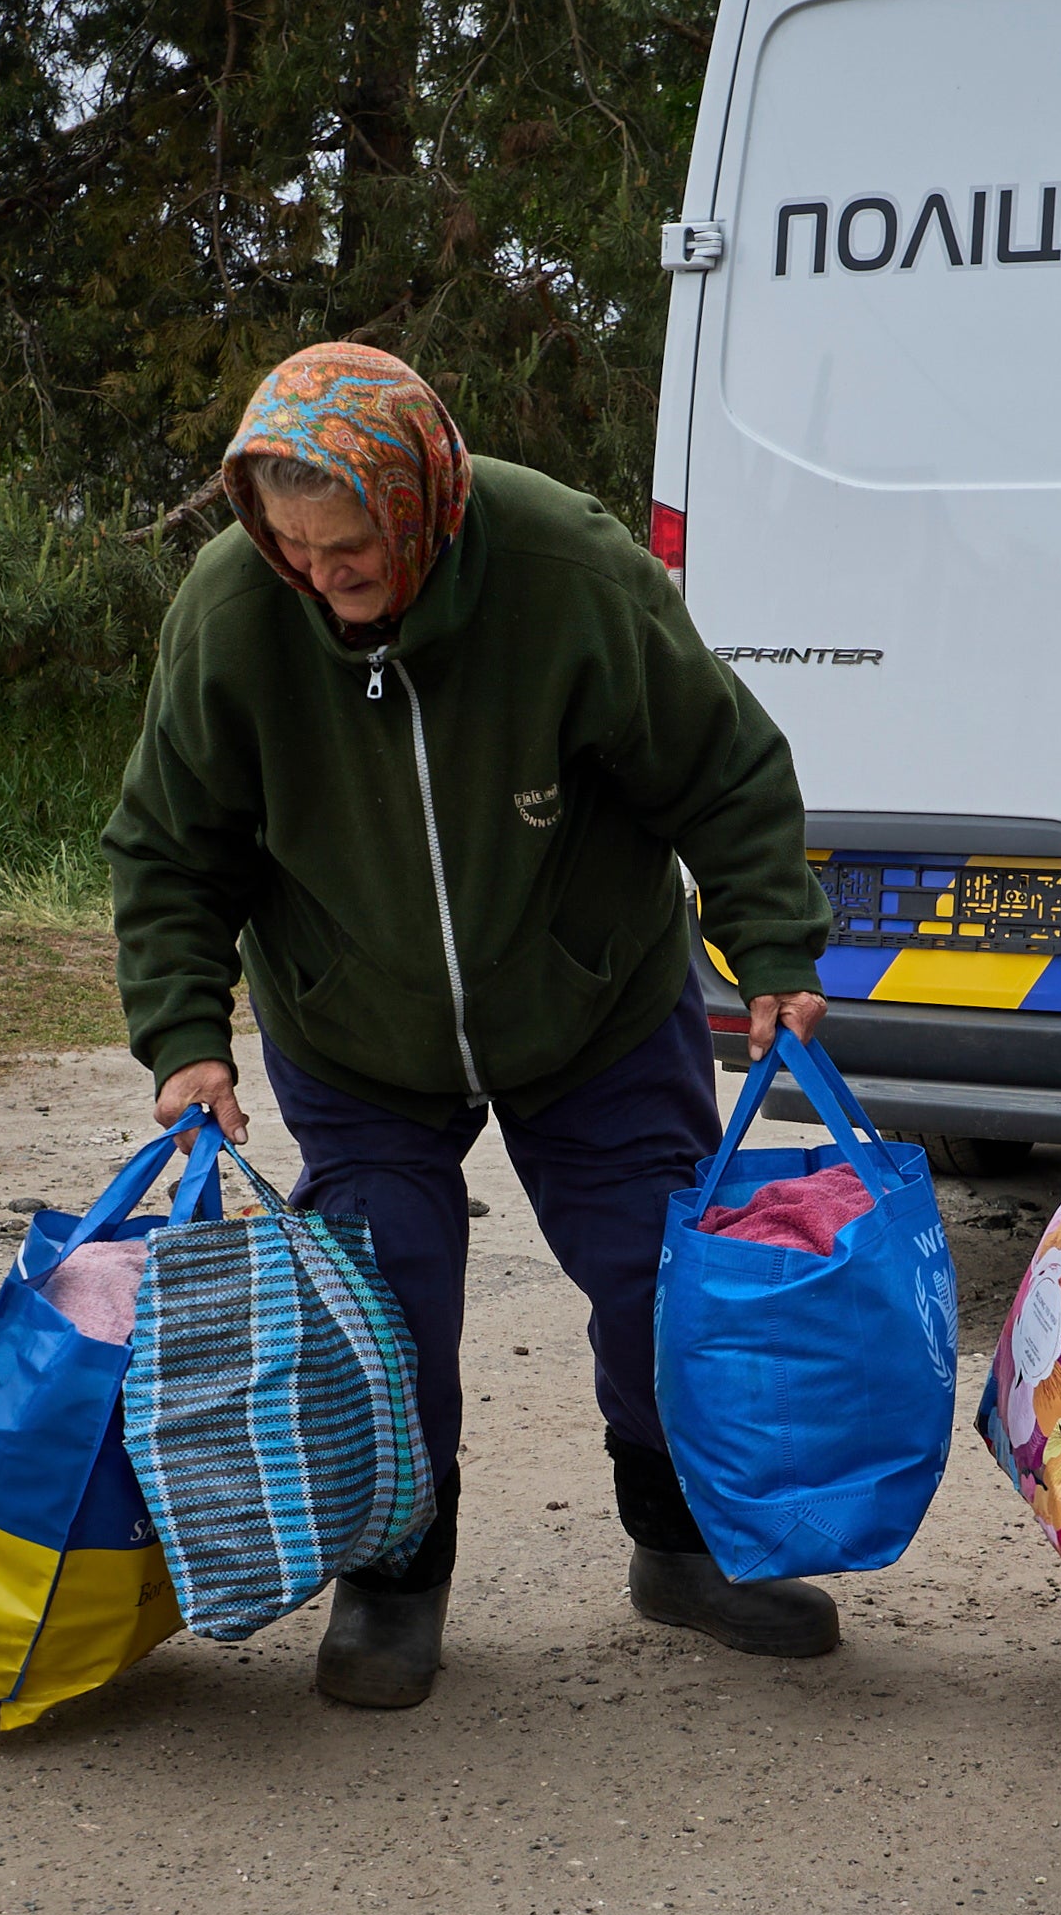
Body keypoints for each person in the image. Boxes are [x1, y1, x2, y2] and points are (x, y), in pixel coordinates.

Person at [104, 342, 843, 1710]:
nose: (324, 577)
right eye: (295, 547)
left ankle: (685, 1547)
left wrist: (776, 943)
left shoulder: (565, 566)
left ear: (422, 498)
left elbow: (721, 764)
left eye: (352, 544)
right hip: (354, 1018)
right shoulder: (232, 614)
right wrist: (185, 1037)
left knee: (653, 1269)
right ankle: (395, 1570)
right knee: (387, 1287)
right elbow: (169, 846)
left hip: (591, 996)